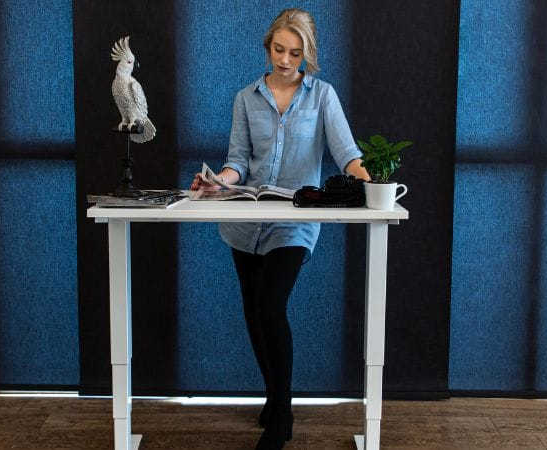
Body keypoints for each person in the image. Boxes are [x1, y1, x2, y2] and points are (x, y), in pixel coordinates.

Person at [188, 7, 372, 449]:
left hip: (294, 219)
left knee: (271, 307)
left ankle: (283, 413)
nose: (286, 60)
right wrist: (218, 182)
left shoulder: (322, 96)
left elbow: (347, 153)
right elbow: (237, 161)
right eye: (278, 50)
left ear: (307, 54)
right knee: (254, 315)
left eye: (295, 53)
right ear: (267, 46)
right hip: (245, 221)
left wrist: (376, 183)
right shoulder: (245, 97)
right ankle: (274, 397)